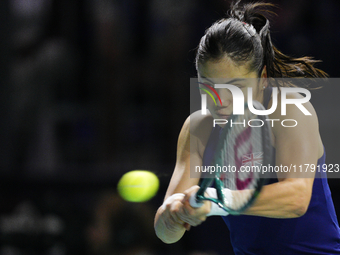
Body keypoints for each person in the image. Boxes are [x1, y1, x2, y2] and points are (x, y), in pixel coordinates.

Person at [154, 1, 340, 254]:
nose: (221, 101)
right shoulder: (198, 128)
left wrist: (217, 200)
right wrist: (171, 215)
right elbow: (167, 235)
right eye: (209, 86)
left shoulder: (291, 110)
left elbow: (297, 198)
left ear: (262, 80)